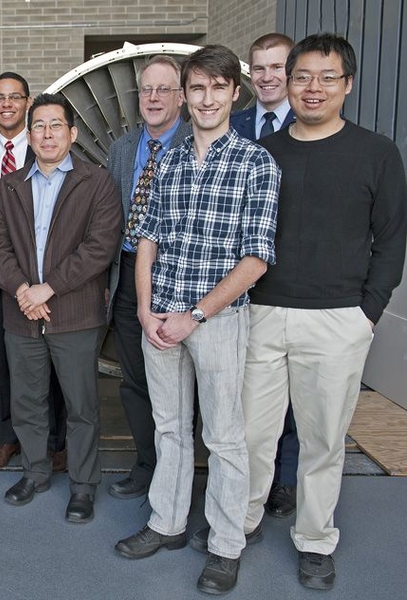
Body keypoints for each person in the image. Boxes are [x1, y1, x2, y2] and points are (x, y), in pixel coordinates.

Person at [241, 33, 407, 591]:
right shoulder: (265, 154)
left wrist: (368, 313)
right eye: (302, 77)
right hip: (262, 315)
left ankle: (314, 540)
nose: (313, 88)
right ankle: (238, 524)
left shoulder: (377, 153)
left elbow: (391, 241)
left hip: (339, 320)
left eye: (326, 77)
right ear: (286, 83)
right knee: (252, 436)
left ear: (348, 84)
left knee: (322, 441)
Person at [113, 45, 280, 595]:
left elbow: (256, 259)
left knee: (225, 436)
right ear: (186, 96)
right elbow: (146, 240)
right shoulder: (171, 160)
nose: (207, 99)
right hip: (159, 317)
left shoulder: (257, 165)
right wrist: (144, 307)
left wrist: (194, 315)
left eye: (218, 88)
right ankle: (168, 523)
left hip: (217, 322)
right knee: (169, 428)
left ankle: (226, 545)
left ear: (237, 93)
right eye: (198, 89)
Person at [0, 93, 122, 523]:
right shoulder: (9, 186)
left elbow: (99, 247)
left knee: (81, 405)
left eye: (56, 125)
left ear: (73, 133)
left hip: (75, 314)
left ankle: (82, 486)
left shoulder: (96, 182)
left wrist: (48, 288)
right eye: (39, 126)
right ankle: (35, 471)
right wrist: (24, 289)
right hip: (20, 314)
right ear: (28, 135)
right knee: (27, 401)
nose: (47, 134)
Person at [105, 55, 190, 500]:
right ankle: (147, 464)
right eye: (147, 90)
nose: (154, 98)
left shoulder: (201, 144)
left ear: (181, 97)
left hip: (179, 284)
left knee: (181, 387)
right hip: (126, 277)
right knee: (135, 380)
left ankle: (184, 470)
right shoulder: (121, 149)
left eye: (164, 90)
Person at [0, 72, 69, 473]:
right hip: (2, 284)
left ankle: (58, 442)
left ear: (28, 103)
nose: (7, 104)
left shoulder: (47, 149)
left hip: (51, 289)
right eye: (0, 97)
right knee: (9, 364)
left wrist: (39, 287)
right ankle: (10, 439)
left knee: (55, 368)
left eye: (15, 97)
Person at [230, 33, 300, 519]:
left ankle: (283, 481)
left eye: (278, 67)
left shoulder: (315, 125)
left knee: (290, 399)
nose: (268, 76)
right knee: (242, 394)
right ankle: (240, 479)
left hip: (286, 283)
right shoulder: (230, 125)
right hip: (230, 286)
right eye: (260, 67)